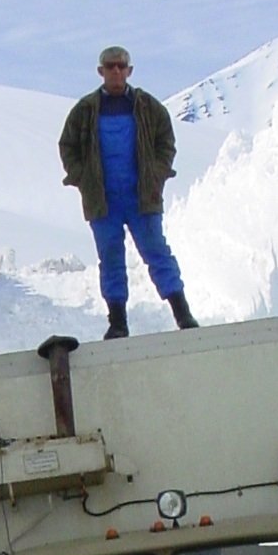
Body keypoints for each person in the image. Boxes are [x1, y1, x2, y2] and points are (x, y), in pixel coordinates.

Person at [58, 45, 198, 339]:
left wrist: (158, 173)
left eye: (121, 66)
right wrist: (82, 177)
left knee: (157, 253)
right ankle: (118, 323)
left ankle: (183, 314)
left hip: (141, 198)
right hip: (103, 201)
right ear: (101, 71)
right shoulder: (84, 111)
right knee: (110, 260)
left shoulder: (148, 106)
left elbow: (166, 141)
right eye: (110, 66)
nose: (116, 71)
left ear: (130, 70)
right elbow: (67, 146)